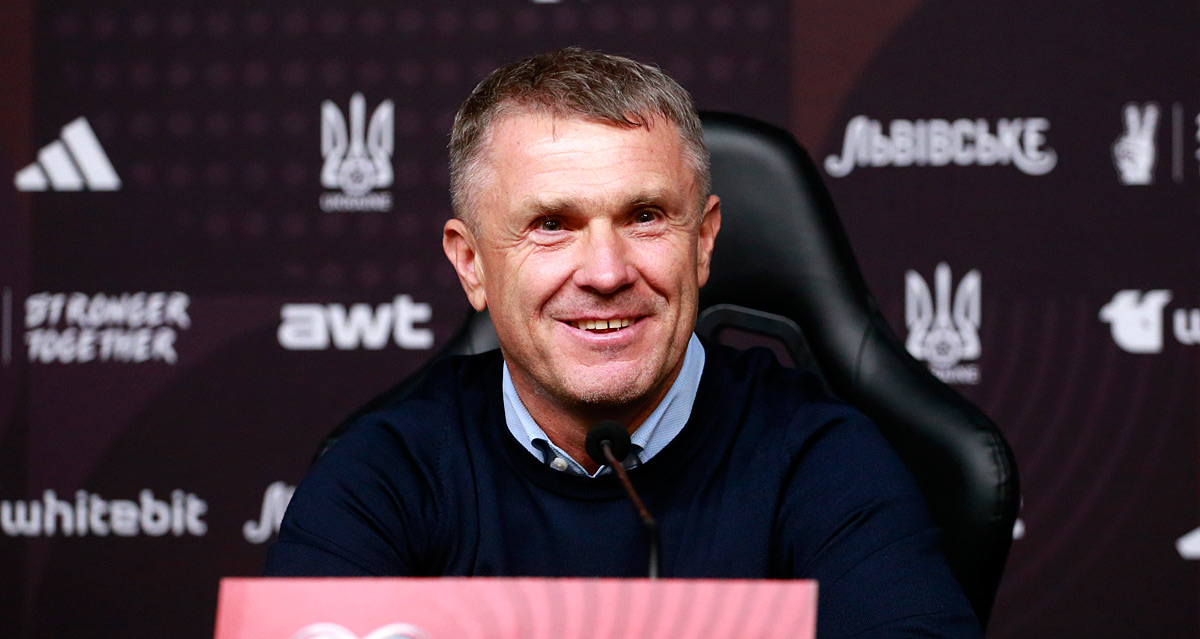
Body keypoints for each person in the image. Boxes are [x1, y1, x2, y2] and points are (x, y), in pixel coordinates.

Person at [266, 47, 981, 638]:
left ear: (703, 242)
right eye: (552, 224)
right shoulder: (385, 469)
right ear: (471, 263)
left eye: (644, 216)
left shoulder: (821, 458)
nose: (607, 273)